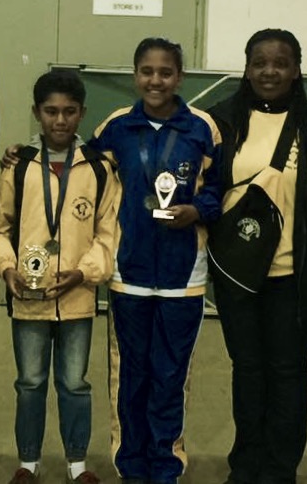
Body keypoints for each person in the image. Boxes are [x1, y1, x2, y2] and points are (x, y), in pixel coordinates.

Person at [206, 28, 307, 484]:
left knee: (287, 371)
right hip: (236, 273)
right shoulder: (220, 120)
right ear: (247, 68)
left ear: (296, 71)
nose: (269, 71)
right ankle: (246, 464)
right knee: (247, 368)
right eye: (260, 63)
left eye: (281, 63)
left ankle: (279, 468)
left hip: (296, 276)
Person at [90, 37, 221, 484]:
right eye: (147, 71)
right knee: (130, 373)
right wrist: (24, 154)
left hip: (183, 274)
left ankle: (166, 466)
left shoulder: (202, 128)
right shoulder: (116, 127)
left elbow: (220, 188)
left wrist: (197, 211)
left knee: (170, 374)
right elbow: (83, 173)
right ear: (135, 75)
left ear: (179, 77)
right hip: (129, 270)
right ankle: (131, 465)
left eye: (166, 72)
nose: (155, 80)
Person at [0, 69, 118, 484]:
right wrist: (7, 267)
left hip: (78, 296)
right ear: (36, 112)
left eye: (69, 111)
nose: (59, 120)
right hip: (28, 298)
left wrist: (84, 272)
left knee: (75, 383)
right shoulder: (19, 165)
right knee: (30, 382)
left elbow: (107, 232)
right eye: (50, 111)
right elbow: (0, 228)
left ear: (82, 113)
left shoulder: (98, 168)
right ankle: (28, 462)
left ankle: (77, 463)